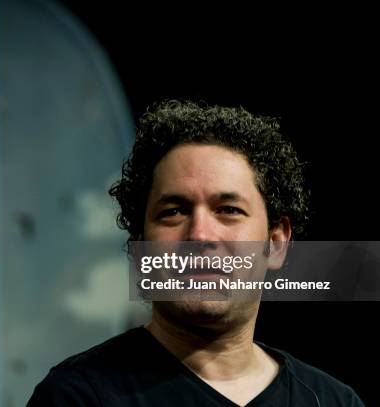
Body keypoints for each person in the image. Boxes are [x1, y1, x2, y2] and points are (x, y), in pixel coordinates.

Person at [27, 100, 364, 406]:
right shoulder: (77, 398)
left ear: (276, 243)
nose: (200, 234)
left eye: (229, 209)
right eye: (173, 211)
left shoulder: (334, 401)